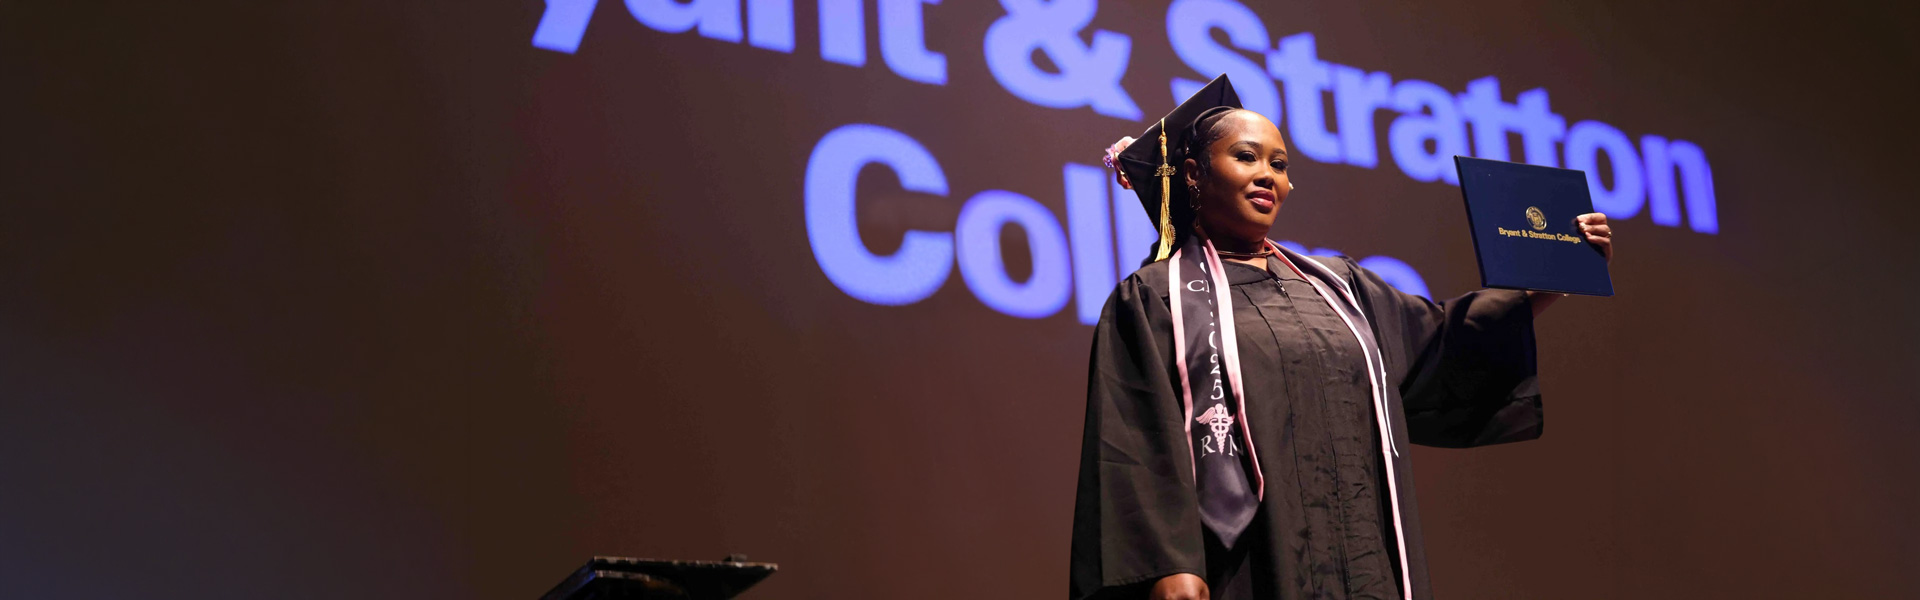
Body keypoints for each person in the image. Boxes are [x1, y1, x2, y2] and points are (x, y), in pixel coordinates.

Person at [1068, 75, 1613, 600]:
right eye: (1246, 157)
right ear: (1192, 172)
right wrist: (1170, 566)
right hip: (1246, 565)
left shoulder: (1338, 285)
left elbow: (1440, 342)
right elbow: (1136, 439)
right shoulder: (1156, 297)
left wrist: (1550, 277)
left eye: (1279, 165)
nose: (1267, 176)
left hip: (1361, 557)